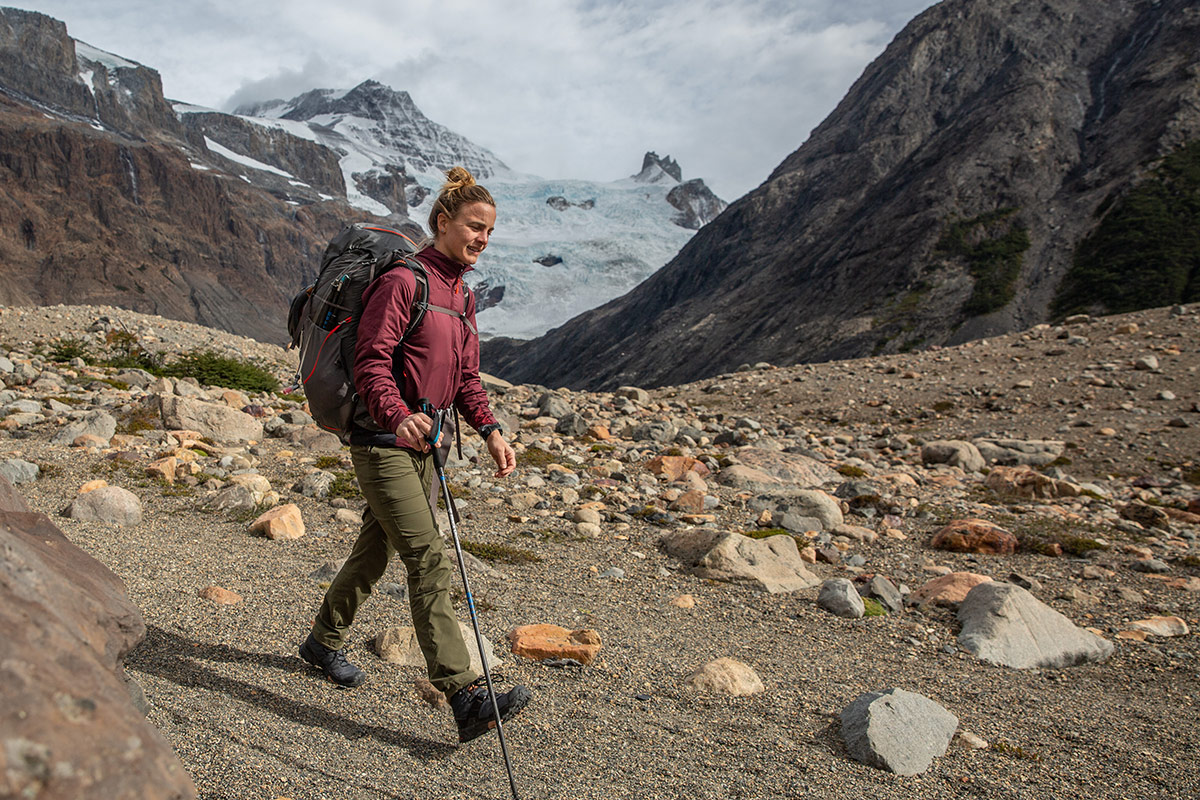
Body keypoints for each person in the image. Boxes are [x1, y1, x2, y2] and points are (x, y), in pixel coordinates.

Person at [299, 166, 530, 744]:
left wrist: (491, 430)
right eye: (474, 227)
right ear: (443, 222)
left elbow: (467, 377)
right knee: (427, 557)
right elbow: (372, 361)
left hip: (432, 445)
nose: (481, 238)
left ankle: (322, 640)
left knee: (375, 549)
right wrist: (398, 415)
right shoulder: (406, 281)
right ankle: (465, 694)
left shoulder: (462, 295)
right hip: (384, 442)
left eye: (489, 232)